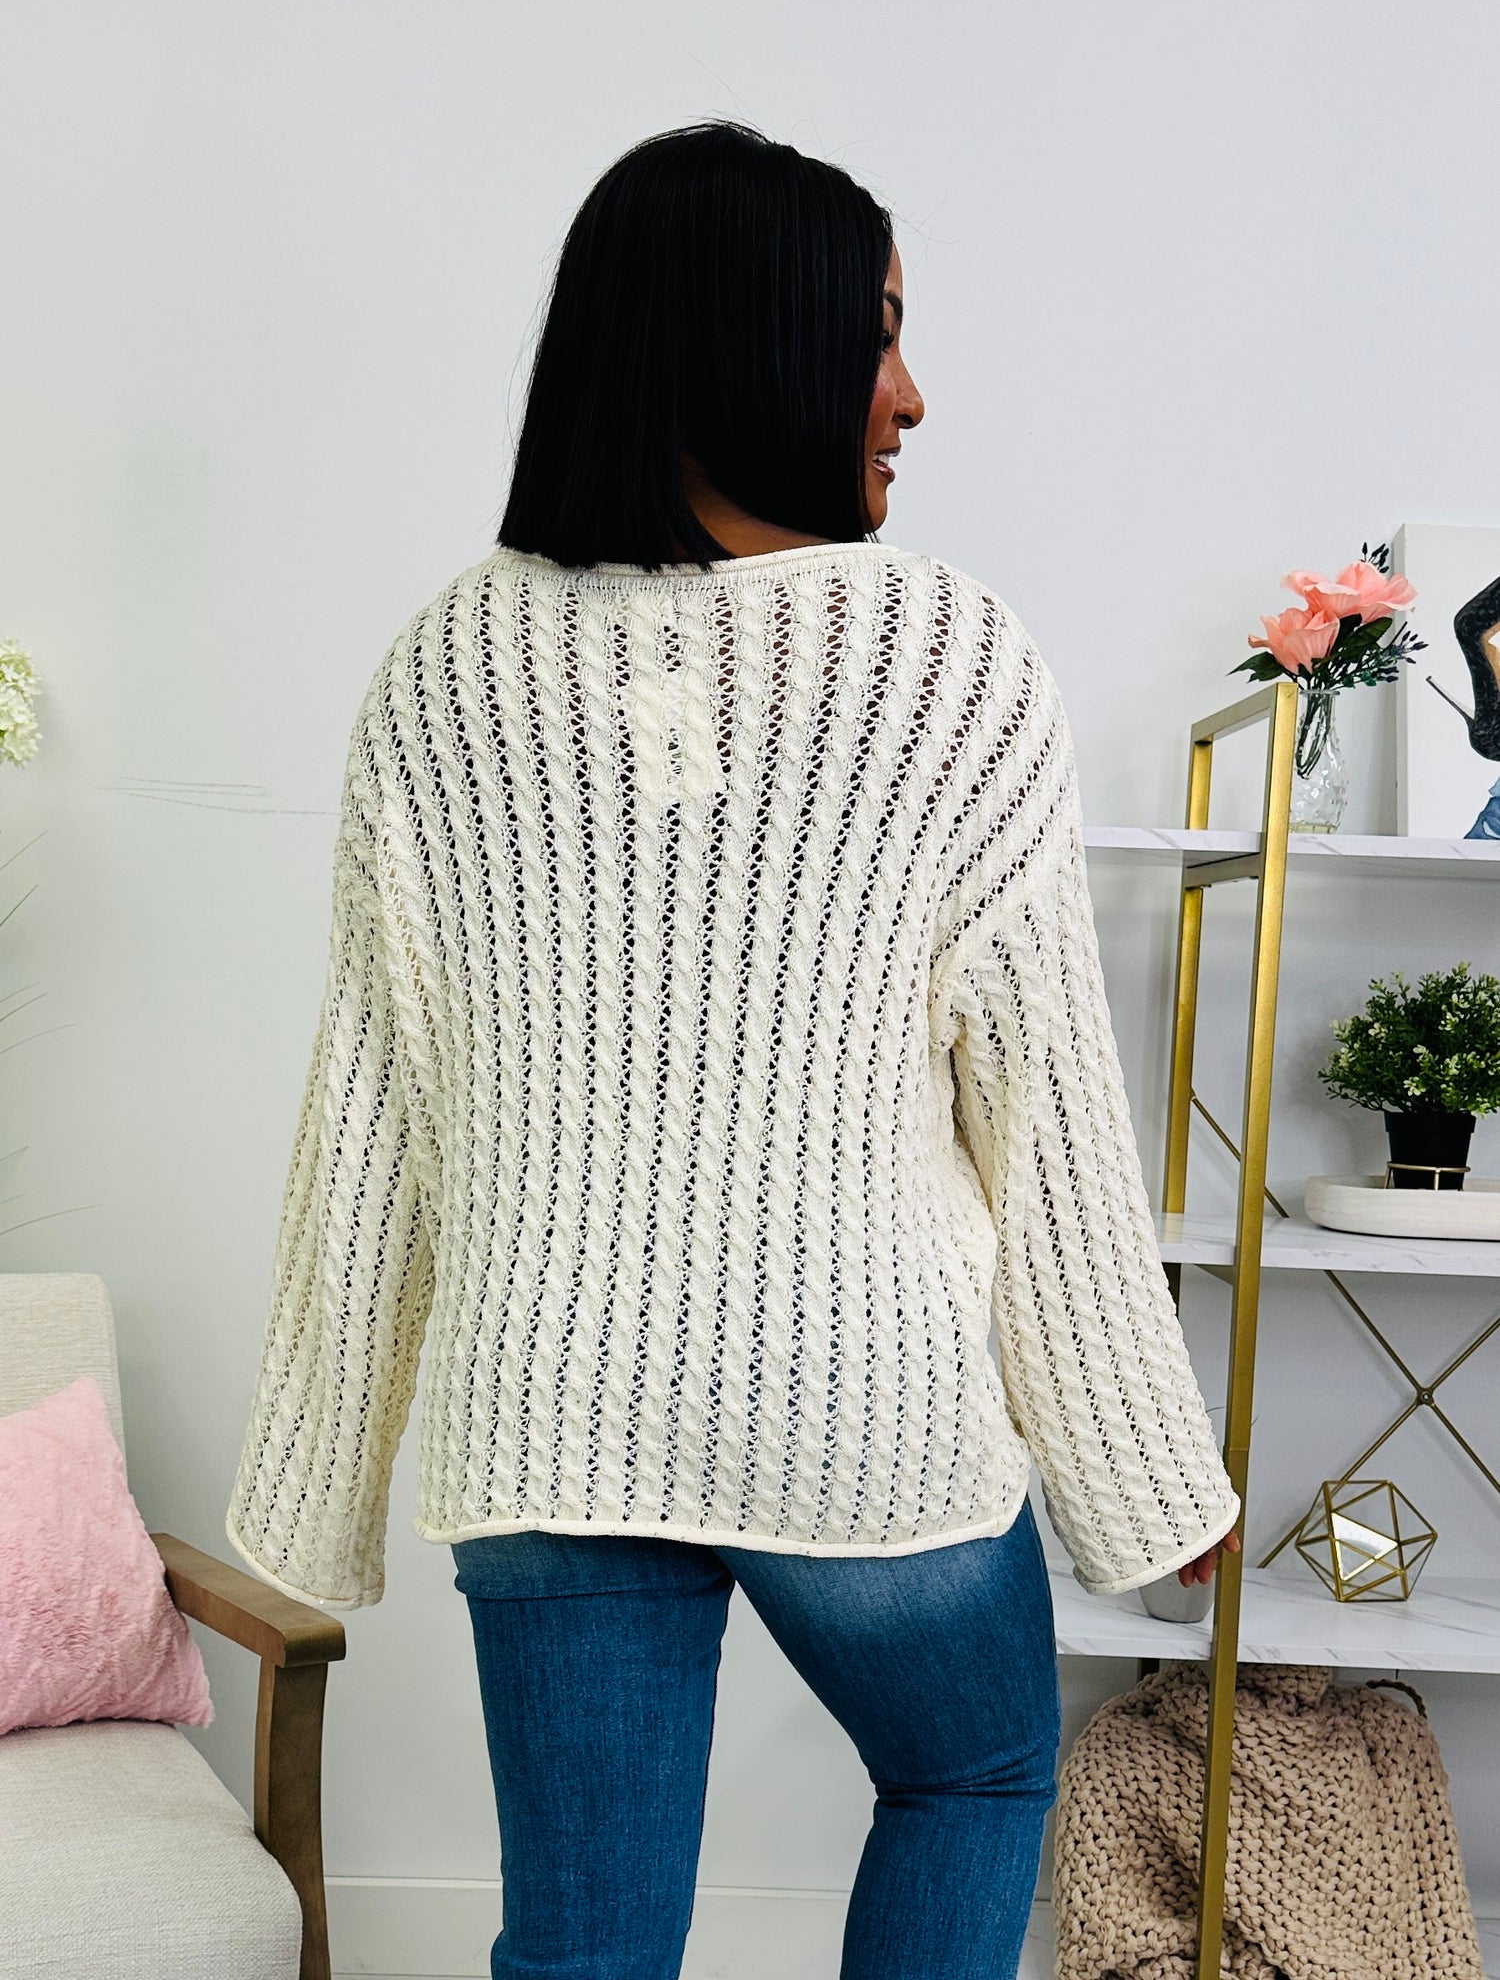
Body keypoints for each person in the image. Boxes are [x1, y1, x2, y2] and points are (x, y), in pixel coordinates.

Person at [226, 119, 1242, 1980]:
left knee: (585, 1947)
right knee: (975, 1777)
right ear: (752, 340)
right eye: (878, 335)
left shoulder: (440, 671)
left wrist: (318, 1475)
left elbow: (378, 1106)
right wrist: (1148, 1475)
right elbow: (1045, 1119)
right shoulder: (951, 655)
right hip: (868, 1408)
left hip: (548, 1415)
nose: (911, 396)